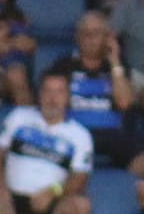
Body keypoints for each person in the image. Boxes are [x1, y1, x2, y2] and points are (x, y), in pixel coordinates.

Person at [0, 69, 92, 214]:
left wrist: (53, 191)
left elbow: (80, 178)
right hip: (13, 197)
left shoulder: (80, 134)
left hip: (54, 201)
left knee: (81, 206)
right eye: (48, 91)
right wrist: (1, 188)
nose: (53, 98)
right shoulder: (18, 117)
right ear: (39, 94)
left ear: (67, 97)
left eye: (59, 92)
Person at [50, 12, 134, 167]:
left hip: (111, 134)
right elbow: (52, 103)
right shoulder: (63, 65)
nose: (90, 38)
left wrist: (115, 61)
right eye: (85, 33)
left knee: (139, 158)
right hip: (73, 132)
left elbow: (124, 103)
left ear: (108, 37)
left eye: (96, 33)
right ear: (77, 37)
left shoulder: (118, 66)